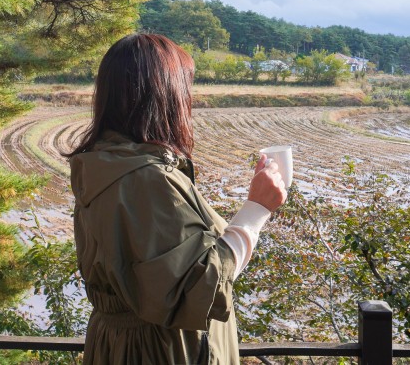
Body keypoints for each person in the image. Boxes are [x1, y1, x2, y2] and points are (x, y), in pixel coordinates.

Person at [68, 33, 288, 365]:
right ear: (165, 95)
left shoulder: (107, 165)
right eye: (185, 88)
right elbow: (199, 286)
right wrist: (257, 209)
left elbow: (174, 276)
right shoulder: (144, 179)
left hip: (124, 347)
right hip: (161, 352)